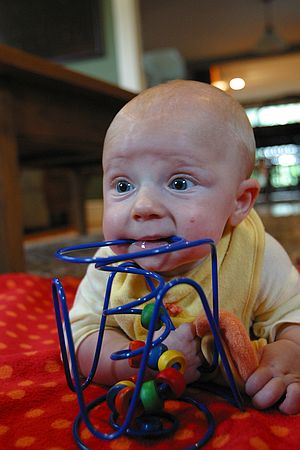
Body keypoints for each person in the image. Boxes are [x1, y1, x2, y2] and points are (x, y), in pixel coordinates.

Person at [69, 80, 300, 415]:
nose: (143, 205)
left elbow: (292, 313)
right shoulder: (110, 263)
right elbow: (79, 334)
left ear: (239, 202)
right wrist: (129, 362)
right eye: (122, 184)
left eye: (179, 183)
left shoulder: (255, 253)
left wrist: (289, 351)